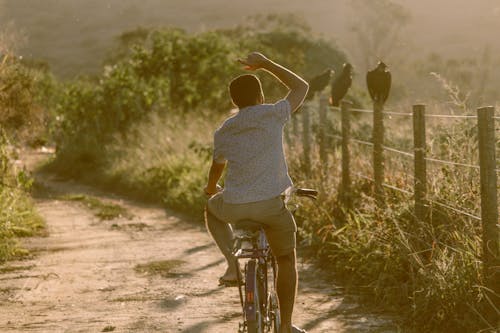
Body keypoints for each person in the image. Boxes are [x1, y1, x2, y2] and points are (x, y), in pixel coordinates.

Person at [204, 52, 309, 333]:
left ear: (234, 102)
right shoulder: (273, 114)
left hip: (235, 205)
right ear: (260, 96)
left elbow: (217, 168)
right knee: (285, 259)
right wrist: (266, 64)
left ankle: (232, 265)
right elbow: (301, 87)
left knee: (211, 209)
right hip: (270, 206)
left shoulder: (225, 130)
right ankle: (285, 326)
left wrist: (211, 188)